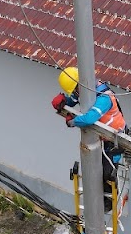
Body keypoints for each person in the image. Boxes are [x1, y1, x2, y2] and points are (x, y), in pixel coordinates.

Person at [52, 66, 126, 212]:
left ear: (79, 84)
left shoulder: (104, 98)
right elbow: (72, 101)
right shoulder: (84, 90)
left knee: (108, 172)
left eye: (75, 91)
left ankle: (109, 202)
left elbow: (89, 118)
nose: (75, 94)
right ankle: (97, 199)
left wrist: (73, 122)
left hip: (114, 140)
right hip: (100, 138)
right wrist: (63, 101)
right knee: (94, 170)